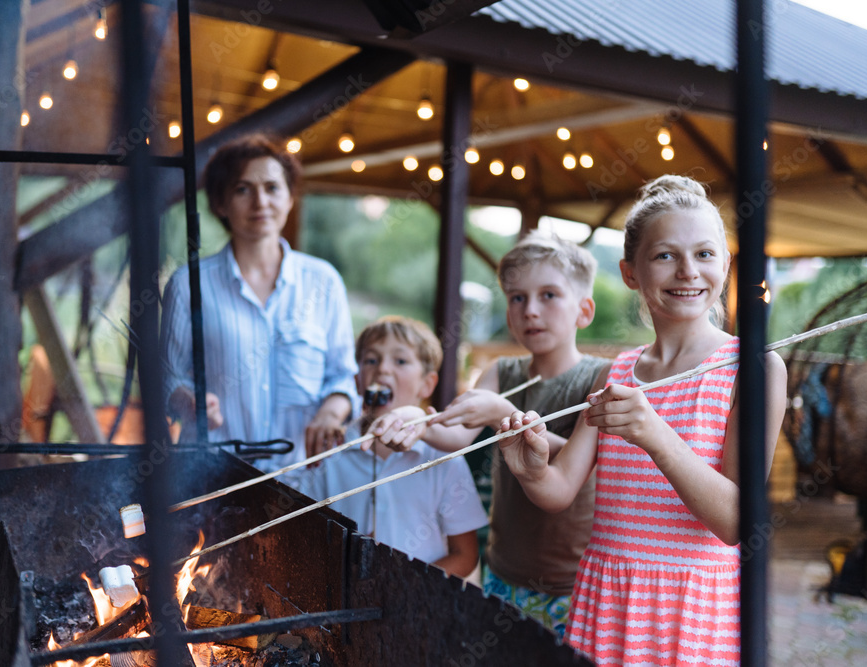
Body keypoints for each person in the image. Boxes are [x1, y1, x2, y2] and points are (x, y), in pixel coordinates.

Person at [496, 175, 787, 665]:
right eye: (665, 255)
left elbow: (737, 521)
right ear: (631, 272)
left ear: (726, 264)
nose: (687, 271)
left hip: (693, 607)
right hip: (608, 598)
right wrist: (531, 470)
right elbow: (560, 491)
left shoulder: (754, 369)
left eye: (705, 254)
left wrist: (656, 435)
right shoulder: (618, 372)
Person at [369, 231, 609, 636]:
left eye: (549, 295)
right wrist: (416, 419)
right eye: (517, 298)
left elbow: (579, 463)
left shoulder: (599, 377)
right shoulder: (501, 372)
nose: (530, 310)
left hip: (574, 579)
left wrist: (505, 415)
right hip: (503, 570)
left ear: (583, 311)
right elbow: (456, 437)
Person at [159, 134, 359, 471]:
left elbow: (343, 378)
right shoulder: (188, 284)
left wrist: (330, 412)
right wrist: (186, 400)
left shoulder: (323, 281)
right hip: (209, 477)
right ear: (220, 204)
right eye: (242, 189)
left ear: (291, 197)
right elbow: (165, 378)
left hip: (301, 483)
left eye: (272, 187)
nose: (260, 202)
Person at [289, 316, 488, 580]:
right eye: (371, 360)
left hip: (419, 608)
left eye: (400, 361)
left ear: (427, 384)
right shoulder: (332, 451)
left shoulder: (444, 460)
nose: (382, 369)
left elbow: (465, 555)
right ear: (359, 381)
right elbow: (302, 531)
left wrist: (403, 588)